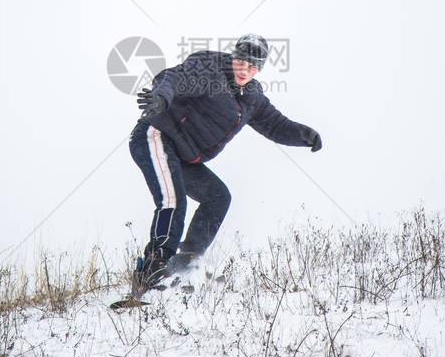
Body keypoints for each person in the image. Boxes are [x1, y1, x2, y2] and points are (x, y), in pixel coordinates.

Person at [128, 34, 322, 292]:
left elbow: (275, 125)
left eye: (253, 67)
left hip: (183, 155)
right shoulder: (209, 68)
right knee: (173, 202)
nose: (246, 70)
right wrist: (161, 97)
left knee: (218, 197)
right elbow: (175, 77)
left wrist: (303, 135)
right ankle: (153, 271)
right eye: (242, 62)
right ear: (234, 56)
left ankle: (185, 265)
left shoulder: (252, 98)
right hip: (155, 136)